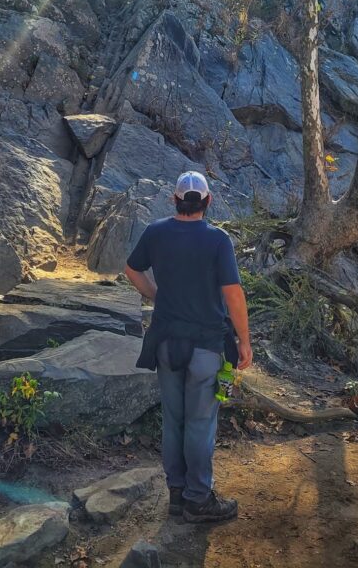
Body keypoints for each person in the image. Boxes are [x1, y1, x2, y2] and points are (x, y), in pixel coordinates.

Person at [125, 171, 253, 525]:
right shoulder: (217, 240)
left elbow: (132, 270)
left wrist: (157, 296)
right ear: (207, 202)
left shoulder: (156, 233)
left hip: (166, 342)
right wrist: (244, 340)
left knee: (174, 420)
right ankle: (199, 498)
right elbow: (233, 294)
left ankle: (177, 495)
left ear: (175, 200)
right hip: (206, 347)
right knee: (200, 422)